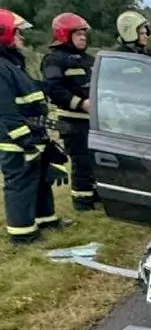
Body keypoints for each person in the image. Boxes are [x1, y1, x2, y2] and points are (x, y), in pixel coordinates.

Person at [0, 9, 71, 245]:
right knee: (20, 185)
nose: (22, 37)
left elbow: (28, 95)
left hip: (32, 133)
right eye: (18, 32)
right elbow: (6, 111)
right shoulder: (1, 66)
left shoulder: (12, 63)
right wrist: (24, 141)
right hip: (14, 140)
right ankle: (23, 235)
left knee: (40, 179)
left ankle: (46, 220)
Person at [40, 12, 98, 211]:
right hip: (72, 120)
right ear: (65, 34)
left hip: (93, 119)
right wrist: (80, 103)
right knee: (81, 160)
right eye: (78, 34)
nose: (83, 37)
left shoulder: (89, 59)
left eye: (84, 33)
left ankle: (94, 194)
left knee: (94, 159)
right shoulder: (54, 60)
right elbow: (54, 90)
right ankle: (82, 201)